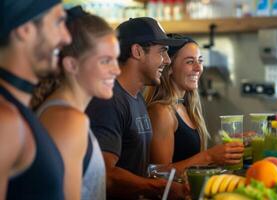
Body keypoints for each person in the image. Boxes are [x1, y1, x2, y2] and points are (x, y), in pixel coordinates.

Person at [86, 17, 187, 199]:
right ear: (138, 51)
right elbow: (105, 175)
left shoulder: (136, 97)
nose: (167, 60)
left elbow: (135, 167)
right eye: (162, 51)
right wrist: (158, 188)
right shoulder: (109, 101)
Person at [30, 6, 120, 200]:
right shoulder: (69, 121)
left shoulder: (64, 114)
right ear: (71, 64)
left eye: (116, 60)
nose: (117, 70)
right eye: (105, 61)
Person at [0, 0, 71, 199]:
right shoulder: (5, 120)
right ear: (25, 28)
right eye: (59, 23)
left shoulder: (15, 108)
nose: (66, 37)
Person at [144, 34, 244, 173]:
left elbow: (191, 161)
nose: (198, 68)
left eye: (200, 60)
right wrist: (210, 156)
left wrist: (225, 152)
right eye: (190, 62)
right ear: (170, 67)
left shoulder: (185, 107)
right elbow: (160, 173)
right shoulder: (161, 112)